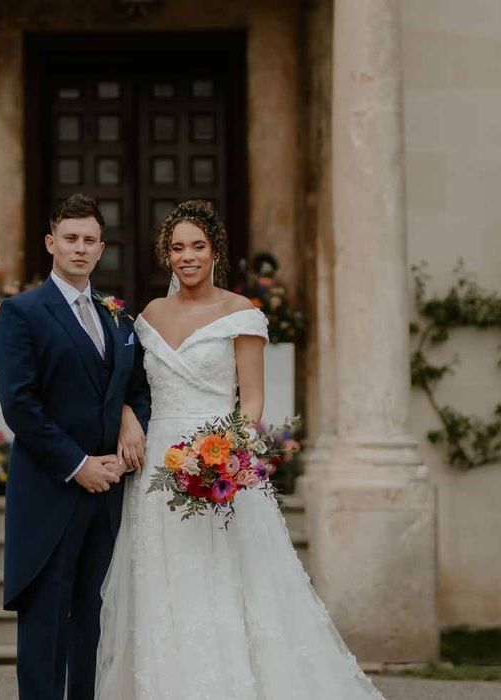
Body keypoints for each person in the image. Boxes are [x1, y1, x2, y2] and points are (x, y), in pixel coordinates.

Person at [96, 200, 386, 700]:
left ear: (214, 253)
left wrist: (219, 457)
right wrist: (126, 417)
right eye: (177, 247)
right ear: (168, 255)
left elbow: (250, 401)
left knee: (226, 580)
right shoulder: (148, 316)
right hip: (157, 467)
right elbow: (132, 388)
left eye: (197, 247)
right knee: (162, 583)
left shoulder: (241, 314)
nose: (187, 256)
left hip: (217, 463)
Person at [0, 193, 150, 700]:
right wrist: (77, 464)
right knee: (45, 631)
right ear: (50, 243)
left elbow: (138, 387)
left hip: (108, 498)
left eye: (89, 240)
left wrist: (132, 419)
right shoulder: (22, 313)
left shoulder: (117, 317)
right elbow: (20, 406)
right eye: (70, 239)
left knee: (94, 626)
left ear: (101, 249)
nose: (79, 249)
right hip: (50, 494)